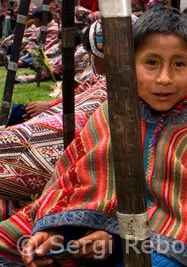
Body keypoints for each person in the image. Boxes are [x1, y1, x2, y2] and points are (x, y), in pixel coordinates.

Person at [0, 7, 187, 267]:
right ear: (130, 64)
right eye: (151, 63)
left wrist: (116, 237)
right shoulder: (111, 114)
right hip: (83, 232)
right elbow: (71, 182)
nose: (164, 78)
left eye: (179, 64)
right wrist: (55, 232)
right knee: (19, 245)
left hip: (163, 248)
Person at [0, 20, 108, 219]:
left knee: (27, 139)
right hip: (64, 132)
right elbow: (75, 98)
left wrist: (48, 111)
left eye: (92, 53)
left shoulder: (111, 88)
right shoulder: (101, 79)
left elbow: (79, 115)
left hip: (70, 149)